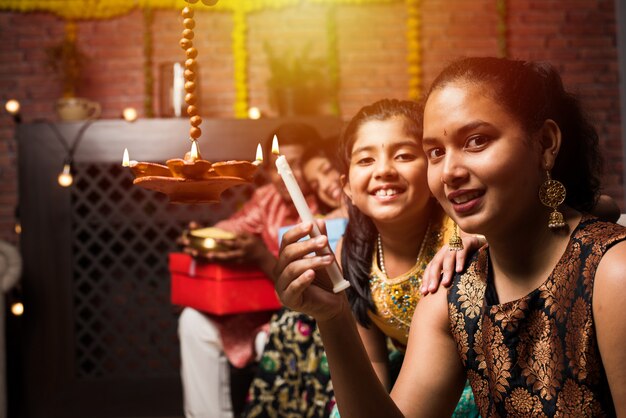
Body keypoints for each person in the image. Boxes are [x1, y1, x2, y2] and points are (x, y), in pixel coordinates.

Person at [274, 57, 626, 417]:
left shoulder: (613, 274)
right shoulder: (451, 295)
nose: (450, 172)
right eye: (436, 153)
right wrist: (333, 318)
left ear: (546, 142)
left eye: (476, 141)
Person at [259, 99, 480, 417]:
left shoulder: (461, 232)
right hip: (406, 380)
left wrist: (475, 235)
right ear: (346, 187)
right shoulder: (350, 254)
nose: (384, 171)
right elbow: (373, 362)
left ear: (433, 167)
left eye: (403, 155)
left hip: (474, 385)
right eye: (365, 160)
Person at [177, 122, 323, 418]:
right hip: (261, 306)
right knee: (193, 322)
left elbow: (314, 283)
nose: (284, 175)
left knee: (265, 340)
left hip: (306, 314)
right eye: (277, 166)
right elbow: (232, 229)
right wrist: (204, 238)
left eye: (295, 164)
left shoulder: (326, 201)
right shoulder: (267, 198)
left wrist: (259, 255)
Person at [243, 142, 348, 418]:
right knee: (290, 322)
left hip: (351, 308)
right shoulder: (319, 218)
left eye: (326, 170)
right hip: (308, 309)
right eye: (316, 181)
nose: (325, 184)